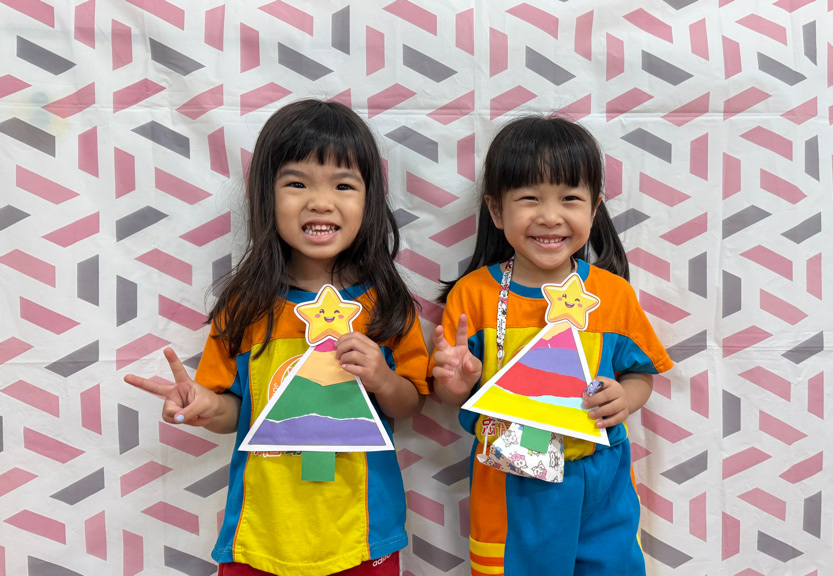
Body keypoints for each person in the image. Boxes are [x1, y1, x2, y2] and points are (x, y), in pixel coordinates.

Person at [124, 99, 429, 576]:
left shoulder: (387, 304)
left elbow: (411, 403)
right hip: (260, 534)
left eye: (343, 185)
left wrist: (383, 379)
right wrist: (204, 407)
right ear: (266, 197)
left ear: (369, 200)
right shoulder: (245, 305)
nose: (320, 202)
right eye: (296, 183)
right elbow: (234, 413)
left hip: (364, 533)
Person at [430, 115, 674, 575]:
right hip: (509, 480)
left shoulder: (613, 295)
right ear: (496, 211)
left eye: (570, 198)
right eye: (529, 198)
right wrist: (455, 384)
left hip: (601, 480)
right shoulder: (473, 296)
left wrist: (626, 397)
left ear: (594, 209)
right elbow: (449, 393)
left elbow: (641, 374)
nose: (549, 216)